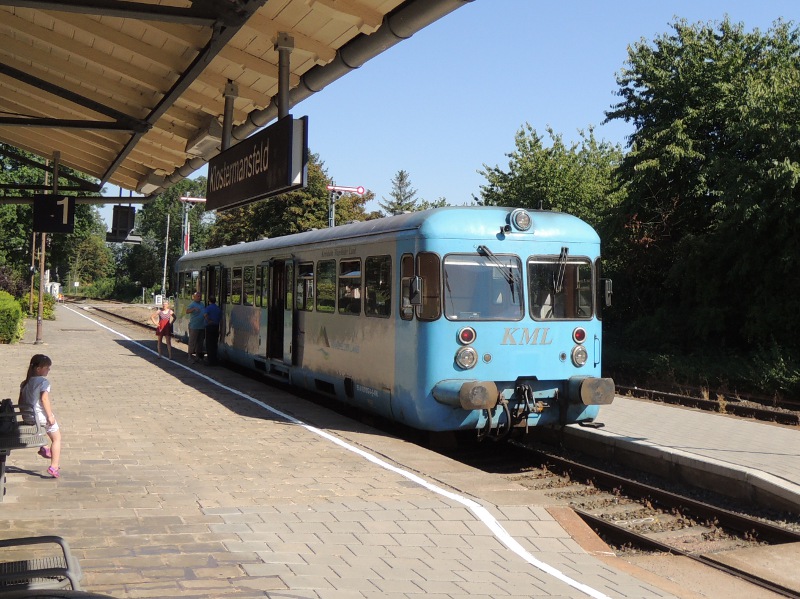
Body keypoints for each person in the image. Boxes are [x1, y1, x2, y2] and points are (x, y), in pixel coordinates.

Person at [19, 354, 62, 478]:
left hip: (29, 416)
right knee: (57, 438)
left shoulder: (25, 383)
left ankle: (44, 447)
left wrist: (24, 416)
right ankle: (54, 466)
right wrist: (50, 416)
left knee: (42, 431)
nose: (49, 370)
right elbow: (44, 399)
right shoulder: (43, 382)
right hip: (41, 417)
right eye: (47, 368)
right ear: (39, 369)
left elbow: (20, 401)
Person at [186, 292, 206, 363]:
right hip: (194, 326)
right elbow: (187, 311)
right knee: (192, 342)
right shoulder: (192, 304)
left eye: (200, 296)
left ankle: (197, 357)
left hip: (201, 326)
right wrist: (193, 309)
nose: (199, 297)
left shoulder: (202, 304)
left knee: (200, 342)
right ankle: (190, 357)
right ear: (194, 297)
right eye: (198, 296)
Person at [204, 296, 222, 366]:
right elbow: (220, 318)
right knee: (214, 344)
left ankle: (210, 360)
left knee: (209, 344)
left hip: (209, 327)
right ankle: (214, 359)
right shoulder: (218, 308)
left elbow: (205, 315)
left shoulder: (208, 308)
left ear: (209, 301)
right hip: (216, 327)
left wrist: (208, 321)